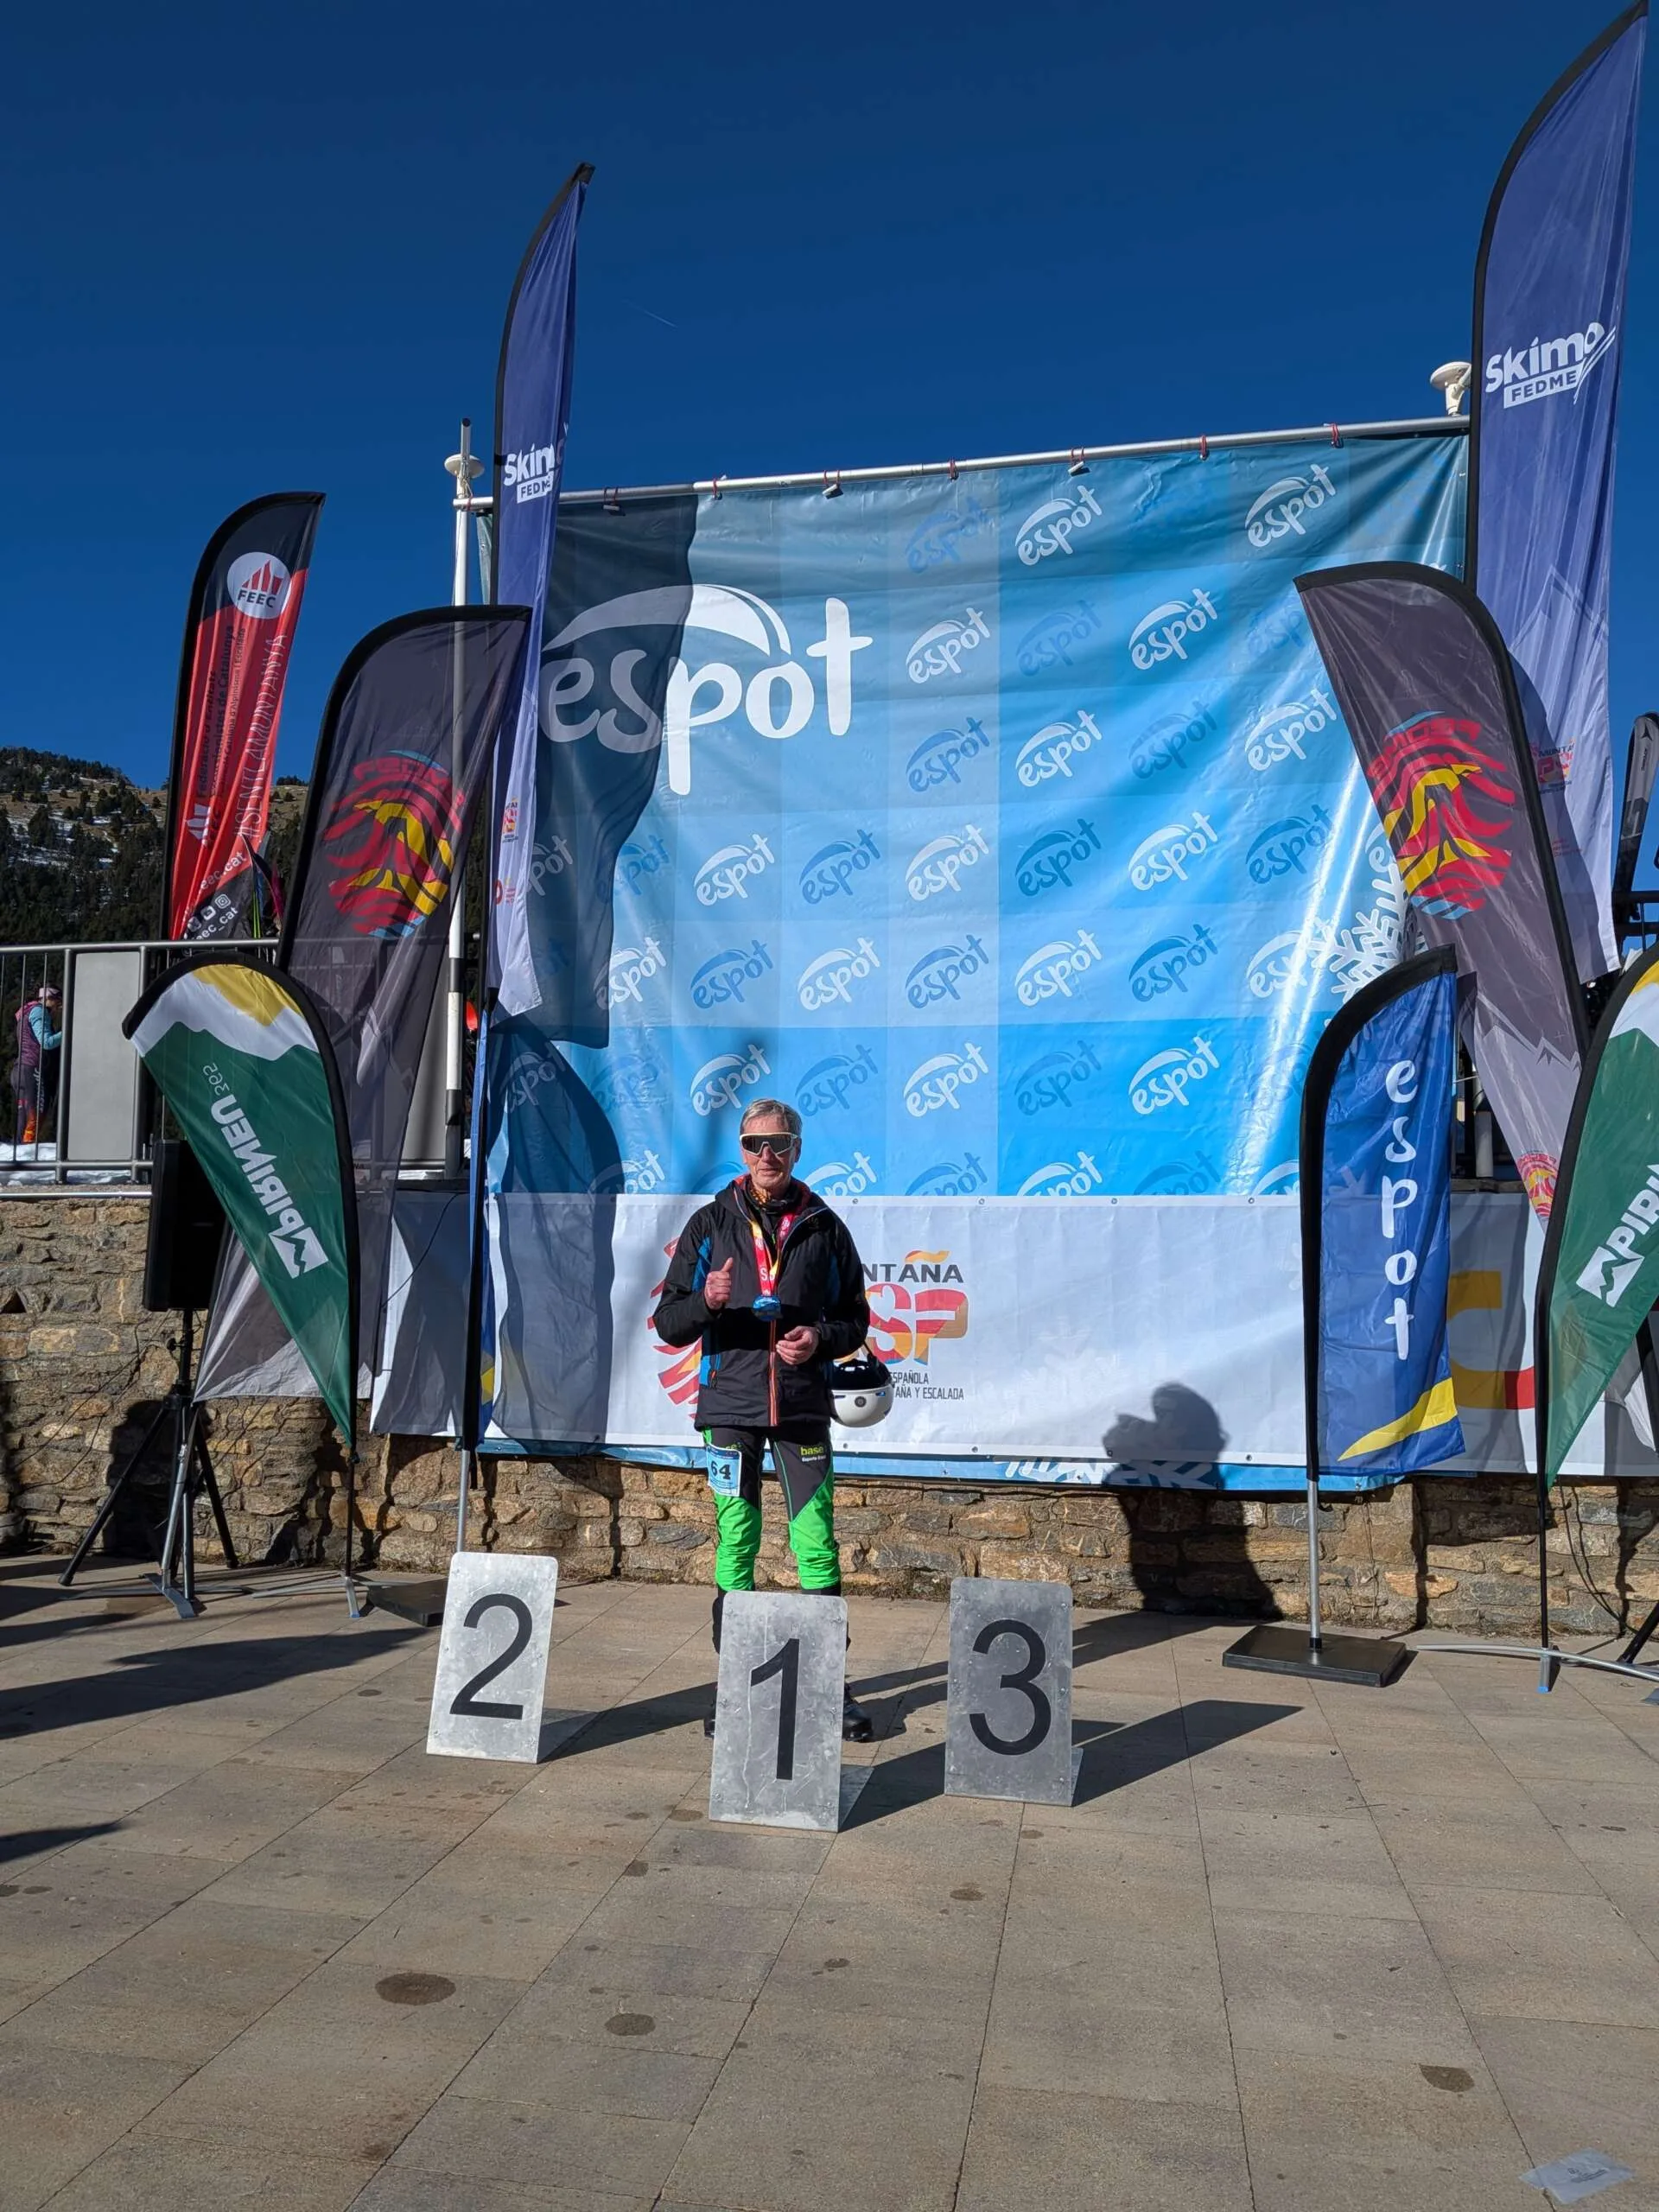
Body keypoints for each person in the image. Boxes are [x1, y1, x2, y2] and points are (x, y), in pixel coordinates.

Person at [653, 1096, 875, 1741]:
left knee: (817, 1544)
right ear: (742, 1150)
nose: (766, 1155)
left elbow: (856, 1319)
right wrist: (707, 1300)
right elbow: (669, 1322)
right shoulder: (709, 1223)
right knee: (737, 1541)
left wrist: (820, 1338)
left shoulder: (825, 1226)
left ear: (797, 1148)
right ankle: (734, 1685)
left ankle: (830, 1687)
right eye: (754, 1144)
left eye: (778, 1143)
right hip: (730, 1408)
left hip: (801, 1405)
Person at [11, 982, 62, 1148]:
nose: (58, 1006)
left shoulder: (26, 1011)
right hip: (33, 1070)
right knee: (34, 1118)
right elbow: (47, 1042)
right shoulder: (39, 1011)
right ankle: (27, 1155)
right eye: (57, 1001)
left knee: (24, 1119)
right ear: (47, 998)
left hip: (20, 1069)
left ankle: (20, 1153)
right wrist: (69, 1031)